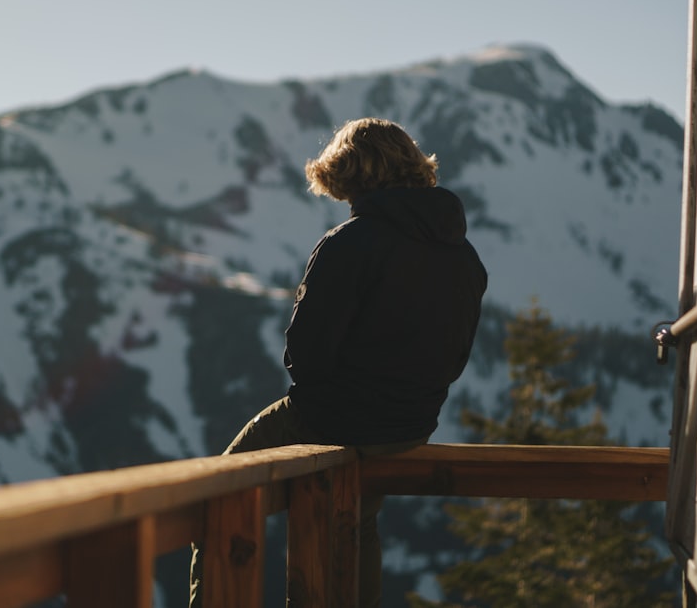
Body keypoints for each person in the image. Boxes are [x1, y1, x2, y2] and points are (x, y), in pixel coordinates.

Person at [189, 117, 488, 608]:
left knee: (219, 494)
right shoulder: (463, 254)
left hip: (336, 419)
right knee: (354, 523)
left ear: (353, 175)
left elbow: (305, 358)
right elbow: (456, 357)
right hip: (410, 427)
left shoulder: (349, 243)